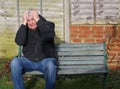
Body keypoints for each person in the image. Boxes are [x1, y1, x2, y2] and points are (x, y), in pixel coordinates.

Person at [10, 9, 58, 89]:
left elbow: (48, 36)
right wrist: (24, 23)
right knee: (15, 62)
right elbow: (19, 41)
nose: (31, 23)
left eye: (33, 19)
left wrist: (39, 21)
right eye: (28, 20)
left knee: (50, 65)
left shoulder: (49, 25)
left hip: (45, 60)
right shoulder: (25, 29)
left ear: (37, 17)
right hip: (28, 61)